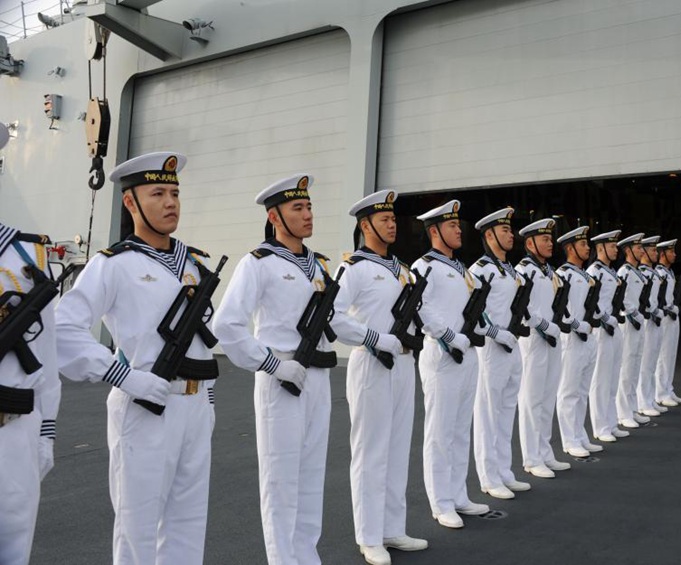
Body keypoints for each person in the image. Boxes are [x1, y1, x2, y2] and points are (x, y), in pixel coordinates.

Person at [56, 152, 218, 564]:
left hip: (195, 405)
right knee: (138, 528)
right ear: (131, 203)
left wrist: (209, 402)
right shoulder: (114, 264)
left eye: (176, 193)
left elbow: (203, 342)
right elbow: (64, 330)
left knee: (188, 521)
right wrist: (123, 376)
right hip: (146, 406)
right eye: (158, 192)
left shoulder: (195, 266)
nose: (171, 202)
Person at [212, 174, 333, 564]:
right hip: (281, 381)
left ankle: (306, 556)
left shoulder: (319, 264)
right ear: (275, 216)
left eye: (309, 206)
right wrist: (271, 364)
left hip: (318, 377)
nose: (308, 214)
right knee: (281, 480)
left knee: (312, 476)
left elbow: (338, 318)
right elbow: (227, 324)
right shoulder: (258, 263)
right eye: (297, 207)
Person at [329, 190, 428, 565]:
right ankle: (369, 536)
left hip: (403, 363)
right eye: (384, 219)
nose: (392, 224)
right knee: (370, 451)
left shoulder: (402, 269)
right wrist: (374, 338)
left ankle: (392, 528)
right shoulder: (353, 267)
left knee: (398, 447)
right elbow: (333, 316)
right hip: (371, 364)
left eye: (393, 219)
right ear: (364, 224)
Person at [412, 200, 491, 529]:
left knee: (460, 428)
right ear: (434, 231)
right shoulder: (423, 266)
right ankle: (440, 502)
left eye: (459, 225)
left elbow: (475, 309)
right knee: (440, 431)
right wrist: (447, 335)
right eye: (452, 225)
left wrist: (485, 329)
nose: (459, 230)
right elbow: (419, 306)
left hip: (468, 353)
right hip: (442, 353)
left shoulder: (465, 270)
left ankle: (458, 494)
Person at [0, 219, 60, 565]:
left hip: (16, 432)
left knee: (13, 551)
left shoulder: (29, 253)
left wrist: (46, 431)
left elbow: (47, 355)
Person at [469, 207, 529, 500]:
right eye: (504, 231)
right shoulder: (480, 269)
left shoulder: (510, 269)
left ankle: (504, 470)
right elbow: (474, 310)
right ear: (489, 235)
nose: (510, 235)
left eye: (509, 229)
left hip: (513, 345)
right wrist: (494, 332)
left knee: (507, 409)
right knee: (488, 413)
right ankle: (489, 476)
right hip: (493, 348)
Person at [515, 219, 571, 477]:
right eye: (545, 239)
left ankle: (544, 451)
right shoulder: (523, 270)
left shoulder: (550, 271)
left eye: (550, 239)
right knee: (531, 399)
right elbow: (522, 309)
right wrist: (544, 325)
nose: (550, 243)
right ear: (529, 243)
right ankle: (531, 457)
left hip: (552, 338)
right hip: (533, 340)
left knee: (548, 397)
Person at [554, 226, 603, 458]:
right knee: (569, 390)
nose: (587, 249)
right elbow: (559, 308)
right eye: (583, 245)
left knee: (582, 390)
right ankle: (569, 439)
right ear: (570, 248)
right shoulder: (562, 274)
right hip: (572, 339)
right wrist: (575, 325)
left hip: (588, 337)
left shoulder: (586, 276)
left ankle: (580, 434)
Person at [587, 230, 629, 443]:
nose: (616, 249)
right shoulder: (594, 271)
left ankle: (611, 422)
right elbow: (590, 303)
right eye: (611, 246)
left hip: (613, 327)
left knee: (613, 378)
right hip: (602, 330)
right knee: (601, 380)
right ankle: (600, 426)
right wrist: (605, 318)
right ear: (600, 248)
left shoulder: (610, 271)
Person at [615, 233, 649, 429]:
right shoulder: (624, 272)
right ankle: (623, 412)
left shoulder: (635, 272)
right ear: (628, 251)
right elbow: (621, 299)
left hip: (638, 322)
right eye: (638, 248)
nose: (641, 251)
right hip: (628, 324)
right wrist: (631, 312)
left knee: (635, 365)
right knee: (626, 369)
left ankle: (632, 407)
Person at [636, 236, 666, 417]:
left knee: (652, 362)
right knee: (644, 364)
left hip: (654, 319)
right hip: (646, 322)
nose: (656, 253)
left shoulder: (651, 273)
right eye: (652, 250)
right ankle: (643, 402)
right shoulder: (642, 273)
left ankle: (649, 399)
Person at [655, 239, 681, 407]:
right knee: (663, 355)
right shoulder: (659, 273)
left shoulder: (669, 272)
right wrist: (669, 307)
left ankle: (668, 387)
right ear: (662, 254)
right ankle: (660, 392)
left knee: (671, 354)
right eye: (671, 252)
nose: (674, 254)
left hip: (672, 316)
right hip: (665, 317)